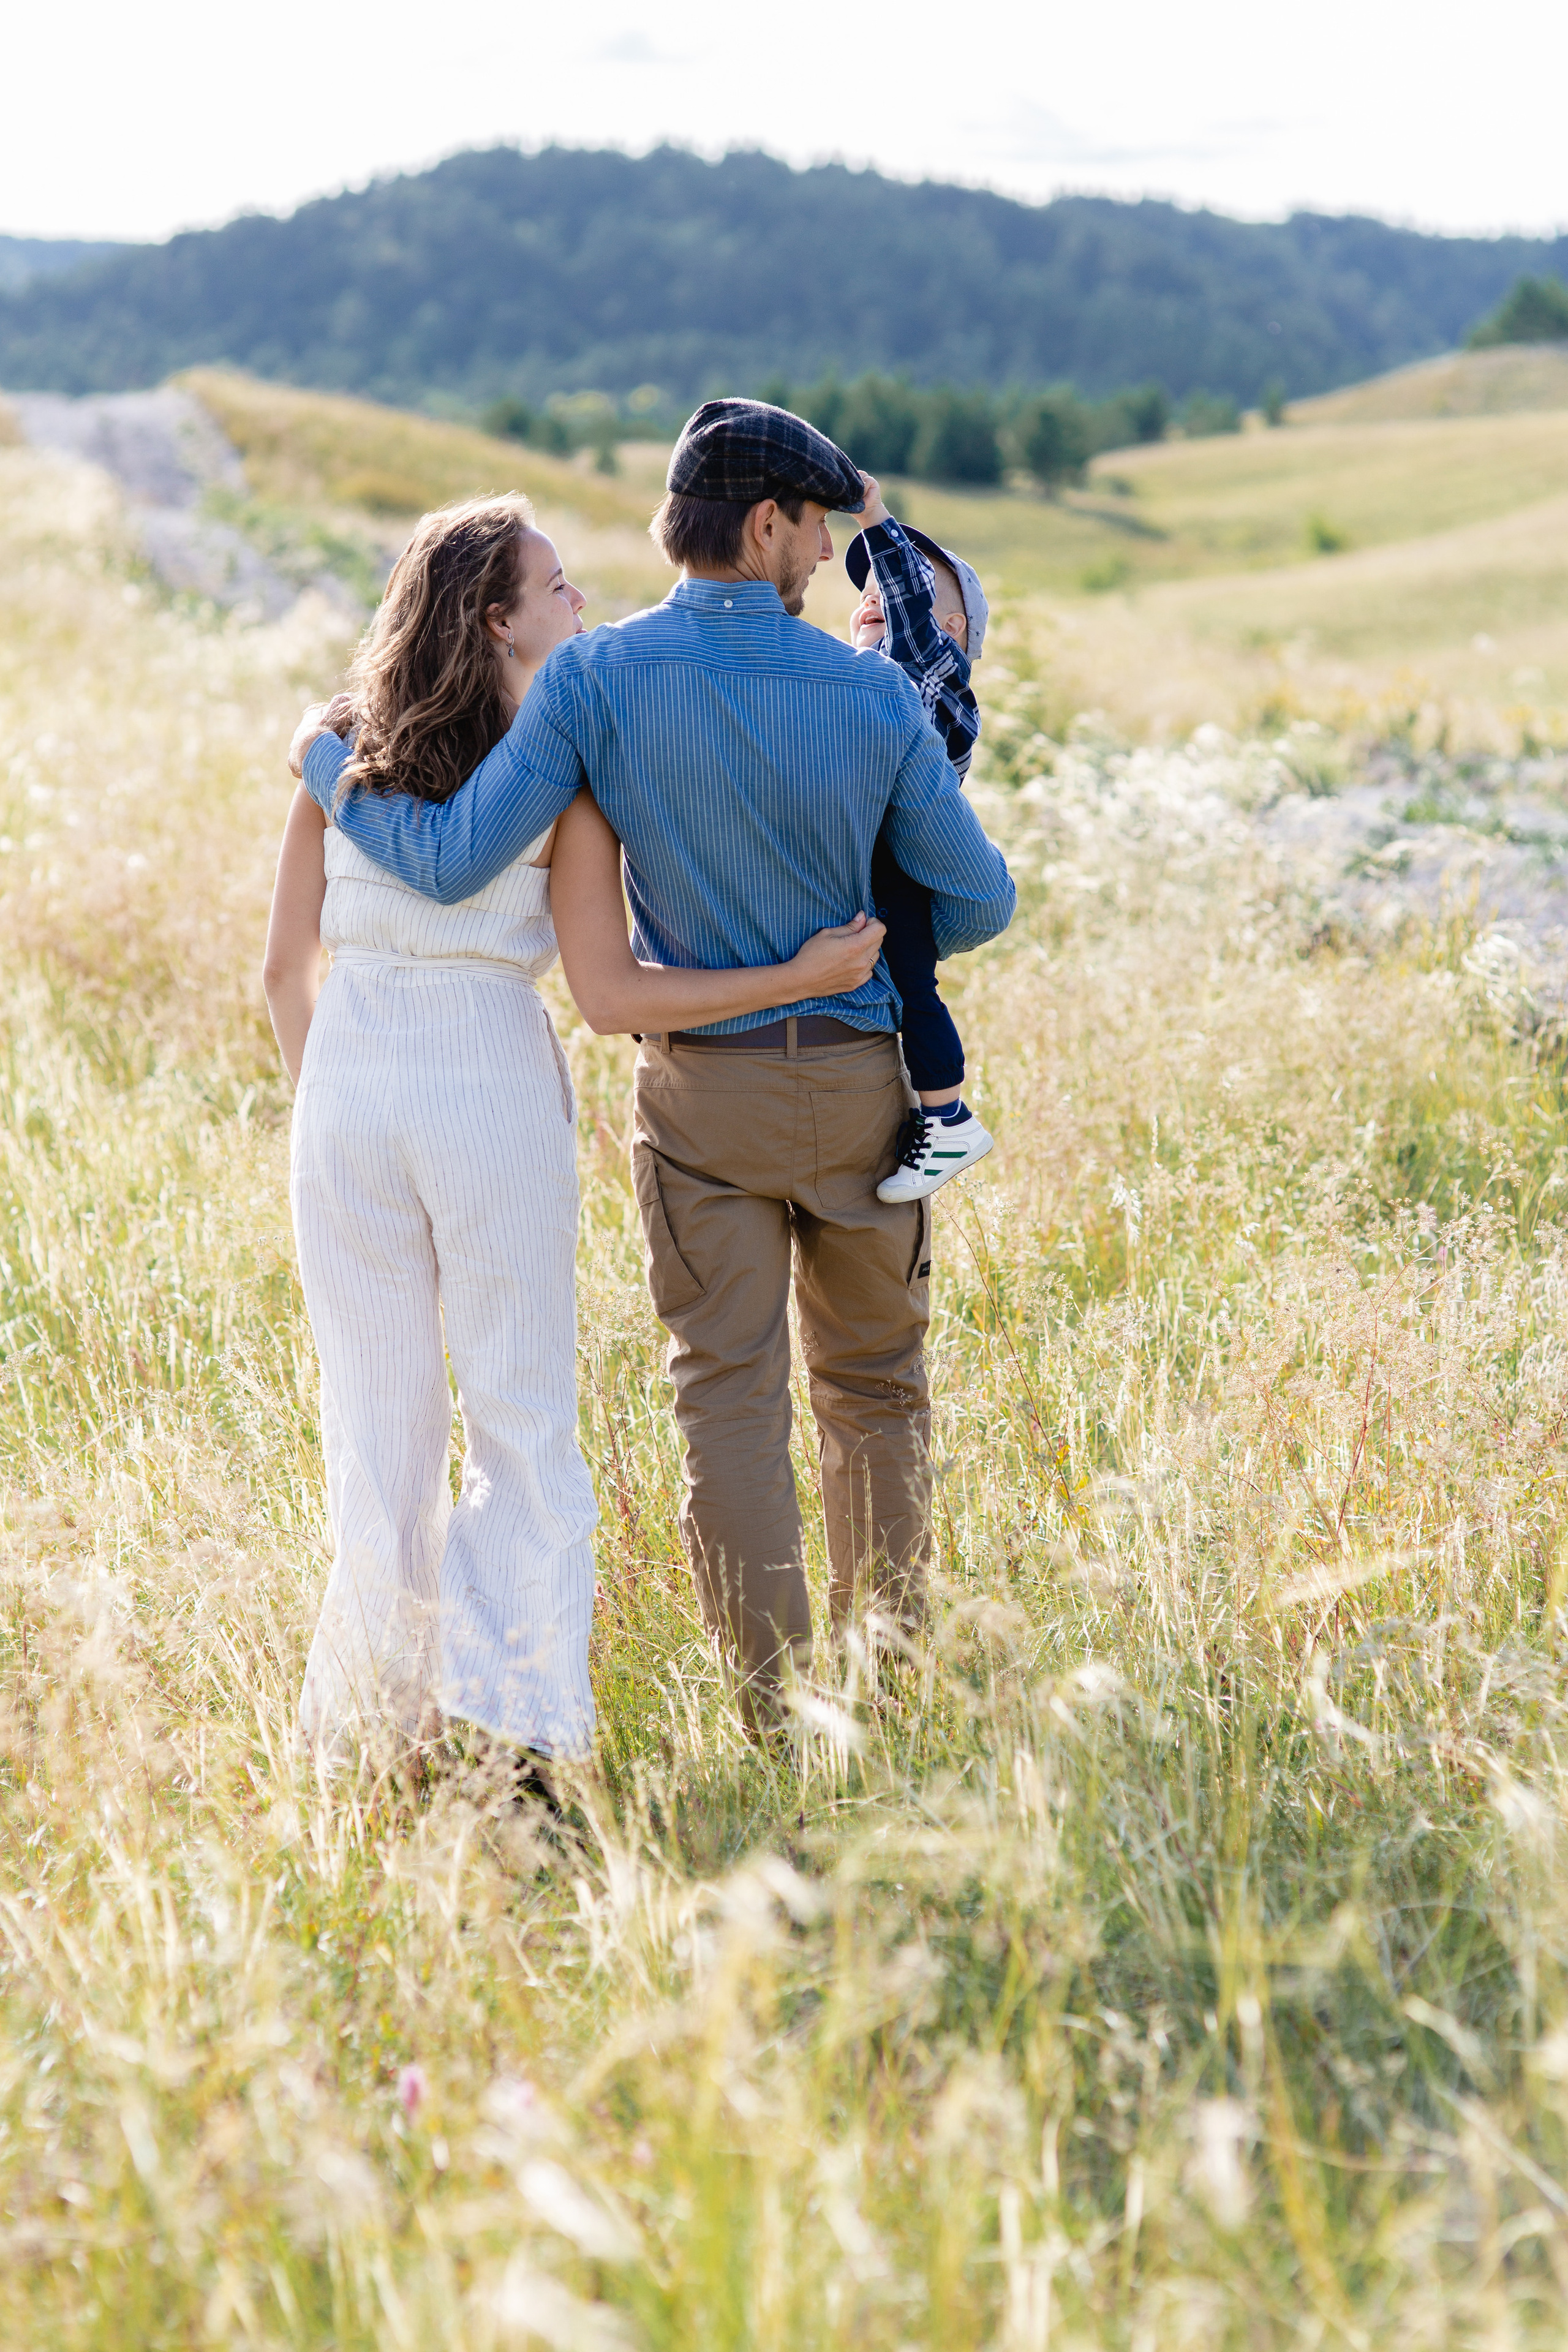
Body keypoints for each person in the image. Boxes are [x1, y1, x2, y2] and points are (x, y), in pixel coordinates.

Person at [291, 400, 1016, 1732]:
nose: (816, 551)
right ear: (764, 526)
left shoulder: (592, 680)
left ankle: (774, 1713)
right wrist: (860, 926)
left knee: (726, 1399)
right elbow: (977, 903)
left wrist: (330, 764)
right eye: (808, 525)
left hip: (699, 1102)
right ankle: (888, 1695)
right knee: (873, 1391)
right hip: (861, 1092)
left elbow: (453, 863)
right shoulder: (864, 694)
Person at [846, 473, 995, 1204]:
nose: (877, 591)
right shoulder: (852, 679)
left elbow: (910, 614)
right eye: (865, 585)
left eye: (899, 580)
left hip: (895, 868)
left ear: (958, 629)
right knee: (897, 987)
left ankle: (949, 1118)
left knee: (914, 988)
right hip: (865, 863)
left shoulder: (935, 674)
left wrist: (876, 517)